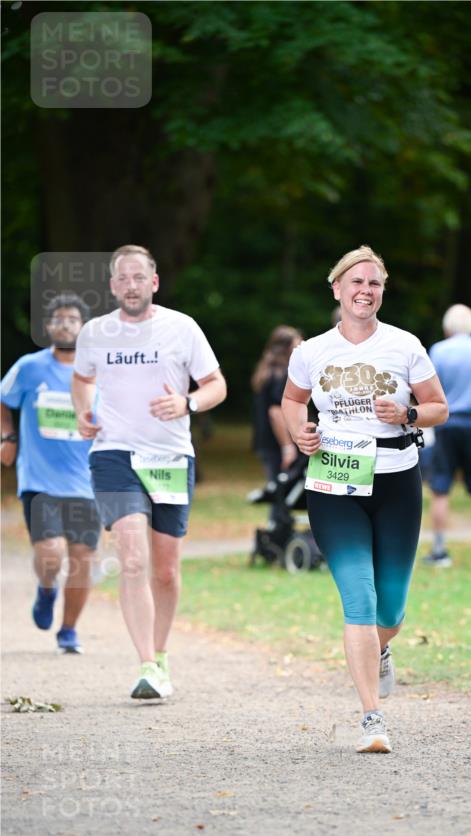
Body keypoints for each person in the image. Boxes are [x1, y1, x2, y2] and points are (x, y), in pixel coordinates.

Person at [282, 246, 448, 753]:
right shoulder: (311, 351)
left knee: (391, 607)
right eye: (355, 282)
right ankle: (372, 717)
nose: (364, 291)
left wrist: (408, 415)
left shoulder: (405, 346)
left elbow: (440, 406)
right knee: (360, 597)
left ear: (382, 290)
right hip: (334, 482)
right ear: (337, 289)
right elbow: (291, 401)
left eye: (373, 283)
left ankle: (378, 651)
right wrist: (300, 435)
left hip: (396, 481)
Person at [71, 245, 227, 699]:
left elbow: (217, 385)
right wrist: (84, 412)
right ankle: (144, 664)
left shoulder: (182, 328)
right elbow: (82, 380)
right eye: (123, 278)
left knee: (165, 569)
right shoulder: (96, 333)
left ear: (153, 283)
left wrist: (187, 403)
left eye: (140, 277)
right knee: (133, 558)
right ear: (113, 285)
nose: (132, 285)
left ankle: (160, 655)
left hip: (170, 457)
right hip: (114, 454)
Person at [1, 294, 101, 653]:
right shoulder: (30, 367)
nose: (65, 325)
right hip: (39, 481)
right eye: (58, 319)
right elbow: (3, 400)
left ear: (83, 328)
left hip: (87, 483)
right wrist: (8, 436)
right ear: (47, 327)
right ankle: (46, 590)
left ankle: (69, 630)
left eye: (72, 320)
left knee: (83, 560)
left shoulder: (98, 372)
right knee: (51, 554)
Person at [424, 304, 471, 568]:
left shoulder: (439, 351)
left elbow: (428, 389)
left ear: (448, 325)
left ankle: (440, 549)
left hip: (446, 423)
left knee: (440, 489)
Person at [251, 325, 303, 484]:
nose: (301, 348)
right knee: (282, 495)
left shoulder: (266, 371)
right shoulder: (281, 375)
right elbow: (276, 412)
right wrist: (287, 446)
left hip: (265, 442)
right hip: (278, 443)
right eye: (297, 344)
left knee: (277, 488)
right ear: (286, 348)